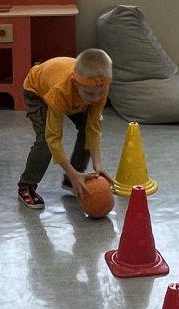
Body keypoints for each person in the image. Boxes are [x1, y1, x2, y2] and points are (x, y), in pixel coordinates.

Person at [17, 49, 113, 210]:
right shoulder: (60, 92)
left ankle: (72, 178)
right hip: (37, 92)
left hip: (72, 97)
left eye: (101, 93)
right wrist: (70, 170)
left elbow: (93, 128)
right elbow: (53, 138)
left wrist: (98, 166)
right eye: (90, 94)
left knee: (85, 128)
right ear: (76, 83)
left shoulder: (99, 88)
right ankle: (26, 185)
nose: (96, 98)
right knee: (45, 141)